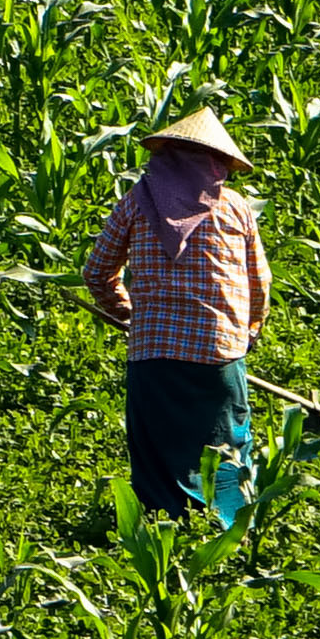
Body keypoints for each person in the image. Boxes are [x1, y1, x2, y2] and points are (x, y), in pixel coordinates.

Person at [84, 109, 269, 524]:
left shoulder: (135, 203)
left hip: (154, 353)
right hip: (220, 350)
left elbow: (97, 272)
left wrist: (126, 312)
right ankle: (229, 531)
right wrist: (249, 332)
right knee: (226, 445)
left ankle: (162, 530)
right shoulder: (236, 209)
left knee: (157, 447)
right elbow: (259, 284)